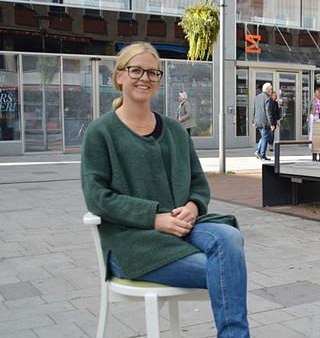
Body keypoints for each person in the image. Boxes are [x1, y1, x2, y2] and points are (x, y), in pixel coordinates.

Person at [81, 42, 250, 337]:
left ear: (159, 80)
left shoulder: (174, 130)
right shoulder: (101, 132)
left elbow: (198, 183)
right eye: (136, 70)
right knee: (227, 270)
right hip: (134, 243)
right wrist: (155, 218)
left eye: (152, 73)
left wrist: (193, 206)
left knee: (229, 236)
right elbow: (97, 197)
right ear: (119, 76)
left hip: (183, 227)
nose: (144, 78)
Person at [253, 82, 275, 160]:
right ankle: (262, 155)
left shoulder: (257, 97)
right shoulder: (267, 98)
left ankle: (258, 151)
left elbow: (255, 110)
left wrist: (253, 120)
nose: (272, 91)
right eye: (271, 89)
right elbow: (268, 112)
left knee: (263, 137)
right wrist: (271, 123)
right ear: (268, 90)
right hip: (265, 122)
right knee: (265, 138)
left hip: (258, 121)